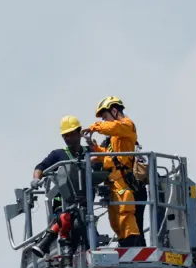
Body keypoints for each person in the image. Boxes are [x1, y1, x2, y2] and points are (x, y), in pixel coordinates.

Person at [30, 115, 99, 258]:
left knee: (85, 229)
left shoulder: (90, 152)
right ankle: (56, 246)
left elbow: (103, 168)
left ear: (79, 133)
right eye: (64, 136)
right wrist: (36, 179)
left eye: (70, 134)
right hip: (63, 202)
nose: (67, 138)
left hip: (85, 202)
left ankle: (86, 248)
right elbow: (41, 167)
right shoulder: (58, 154)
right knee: (67, 220)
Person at [85, 96, 147, 247]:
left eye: (105, 117)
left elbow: (113, 128)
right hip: (116, 182)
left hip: (125, 182)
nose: (105, 121)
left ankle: (134, 246)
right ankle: (125, 243)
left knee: (127, 216)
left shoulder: (127, 125)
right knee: (116, 219)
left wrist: (95, 127)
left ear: (114, 111)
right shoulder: (115, 137)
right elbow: (113, 158)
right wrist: (97, 150)